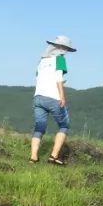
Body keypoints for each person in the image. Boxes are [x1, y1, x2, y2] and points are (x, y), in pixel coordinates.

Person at [30, 35, 77, 165]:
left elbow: (38, 77)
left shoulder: (42, 60)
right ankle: (54, 156)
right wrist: (62, 96)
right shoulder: (60, 59)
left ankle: (33, 157)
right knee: (64, 125)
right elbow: (58, 79)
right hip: (53, 97)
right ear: (63, 48)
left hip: (38, 96)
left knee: (39, 127)